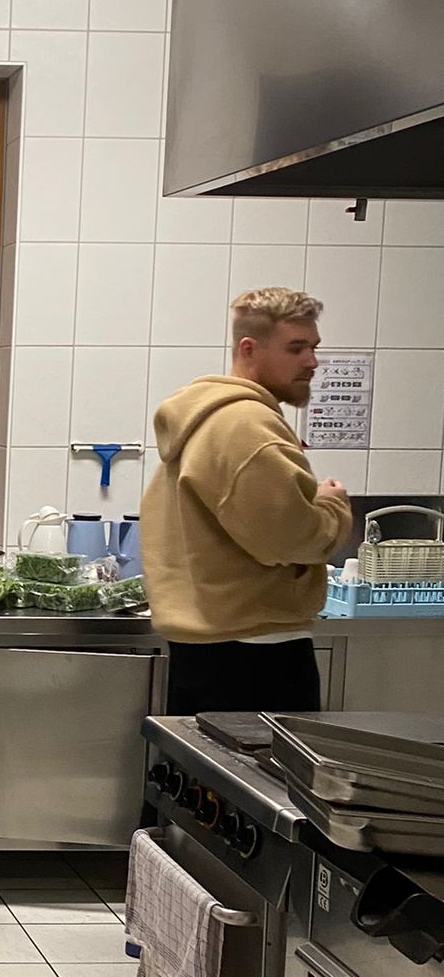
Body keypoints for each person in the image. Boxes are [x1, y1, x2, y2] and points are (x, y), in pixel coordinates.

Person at [141, 286, 353, 716]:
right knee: (267, 782)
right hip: (256, 654)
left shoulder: (209, 416)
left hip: (212, 646)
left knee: (212, 779)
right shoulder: (246, 426)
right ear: (249, 348)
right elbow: (289, 539)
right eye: (296, 348)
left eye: (313, 347)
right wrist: (332, 506)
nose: (312, 362)